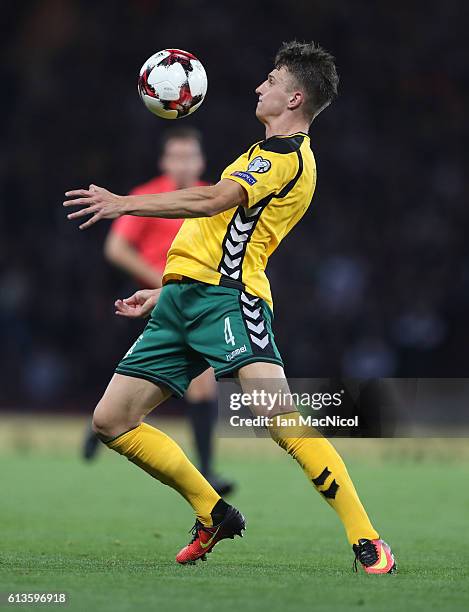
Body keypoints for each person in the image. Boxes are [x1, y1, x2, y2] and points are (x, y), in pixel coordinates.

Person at [64, 41, 396, 573]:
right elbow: (216, 230)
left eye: (270, 79)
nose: (258, 86)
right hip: (185, 298)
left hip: (227, 301)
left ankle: (367, 538)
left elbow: (211, 201)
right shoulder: (259, 152)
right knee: (112, 420)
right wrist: (168, 286)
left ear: (293, 97)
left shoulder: (283, 157)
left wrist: (124, 203)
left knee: (279, 417)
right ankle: (212, 511)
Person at [82, 127, 234, 496]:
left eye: (189, 156)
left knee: (201, 382)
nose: (183, 163)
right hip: (150, 297)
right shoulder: (146, 196)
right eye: (176, 156)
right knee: (161, 379)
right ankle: (102, 426)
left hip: (190, 299)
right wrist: (163, 282)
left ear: (201, 160)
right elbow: (116, 248)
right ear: (164, 161)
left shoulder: (211, 198)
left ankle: (207, 471)